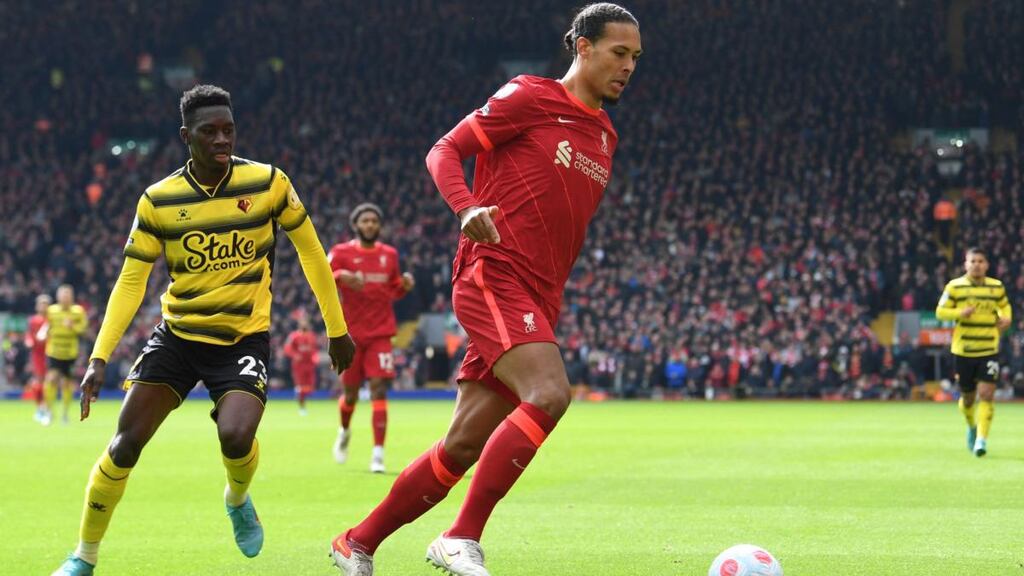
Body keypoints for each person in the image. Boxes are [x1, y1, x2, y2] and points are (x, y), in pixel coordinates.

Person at [329, 4, 641, 574]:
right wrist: (466, 206)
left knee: (461, 446)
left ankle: (357, 541)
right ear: (583, 47)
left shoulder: (605, 134)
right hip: (493, 274)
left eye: (636, 58)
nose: (628, 67)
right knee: (550, 393)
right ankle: (460, 536)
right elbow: (443, 150)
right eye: (619, 53)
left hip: (540, 296)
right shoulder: (530, 96)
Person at [52, 84, 356, 576]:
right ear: (185, 136)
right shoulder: (158, 201)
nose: (222, 140)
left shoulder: (268, 183)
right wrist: (98, 357)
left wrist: (336, 328)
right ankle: (83, 556)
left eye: (228, 130)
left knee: (235, 436)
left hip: (242, 338)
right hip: (178, 337)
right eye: (209, 131)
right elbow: (131, 283)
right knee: (124, 443)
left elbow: (311, 251)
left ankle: (237, 499)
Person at [328, 202, 415, 473]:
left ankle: (378, 454)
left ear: (380, 226)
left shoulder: (389, 255)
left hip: (381, 333)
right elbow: (322, 279)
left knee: (378, 388)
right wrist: (340, 275)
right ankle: (344, 430)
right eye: (365, 221)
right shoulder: (340, 253)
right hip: (350, 336)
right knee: (350, 395)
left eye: (374, 221)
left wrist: (404, 286)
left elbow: (393, 290)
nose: (370, 225)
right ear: (355, 225)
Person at [936, 247, 1012, 457]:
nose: (976, 265)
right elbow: (940, 312)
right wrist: (960, 312)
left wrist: (1006, 318)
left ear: (986, 265)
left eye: (980, 261)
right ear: (966, 264)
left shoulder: (996, 287)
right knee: (968, 399)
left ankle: (981, 440)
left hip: (989, 349)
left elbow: (1004, 307)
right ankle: (971, 425)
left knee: (986, 394)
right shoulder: (955, 287)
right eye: (973, 261)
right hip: (964, 350)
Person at [42, 285, 88, 426]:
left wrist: (72, 326)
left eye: (68, 296)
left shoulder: (78, 311)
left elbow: (84, 329)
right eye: (63, 296)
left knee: (67, 383)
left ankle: (65, 413)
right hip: (54, 351)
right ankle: (49, 411)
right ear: (58, 297)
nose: (65, 298)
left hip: (70, 353)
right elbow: (46, 325)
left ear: (72, 297)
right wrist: (44, 332)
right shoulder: (51, 311)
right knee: (51, 379)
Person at [283, 314, 320, 416]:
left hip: (310, 365)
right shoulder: (293, 336)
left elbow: (314, 349)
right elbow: (287, 348)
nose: (304, 323)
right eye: (302, 322)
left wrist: (315, 357)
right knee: (300, 387)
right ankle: (302, 407)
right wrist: (295, 355)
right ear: (299, 323)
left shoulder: (312, 336)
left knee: (311, 387)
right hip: (299, 366)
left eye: (305, 322)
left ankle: (303, 400)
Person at [26, 293, 51, 423]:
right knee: (39, 381)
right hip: (38, 354)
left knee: (49, 381)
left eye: (45, 304)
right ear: (37, 306)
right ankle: (40, 408)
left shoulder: (52, 319)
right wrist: (29, 341)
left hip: (51, 353)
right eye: (41, 304)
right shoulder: (33, 320)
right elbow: (29, 335)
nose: (43, 307)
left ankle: (46, 408)